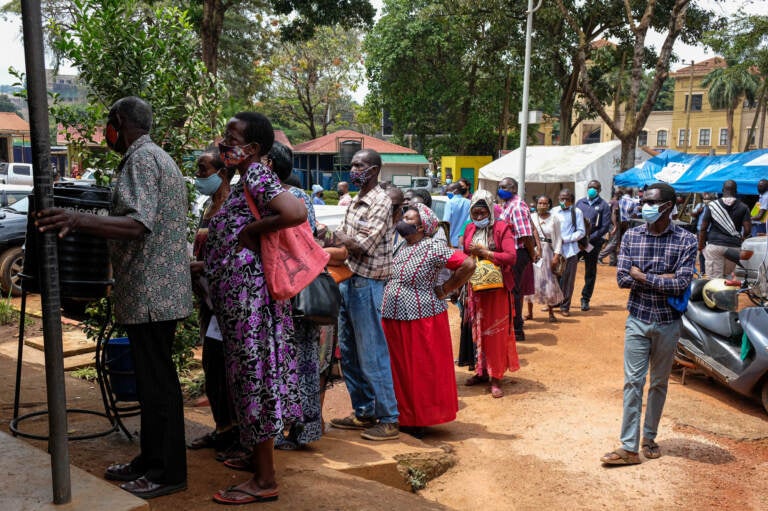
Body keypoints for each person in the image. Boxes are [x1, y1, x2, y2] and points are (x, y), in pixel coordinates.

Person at [36, 96, 192, 499]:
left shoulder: (142, 160)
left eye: (109, 124)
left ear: (118, 122)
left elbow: (138, 223)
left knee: (158, 385)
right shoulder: (154, 158)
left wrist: (76, 219)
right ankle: (149, 460)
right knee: (151, 381)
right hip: (152, 291)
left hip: (152, 293)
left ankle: (167, 472)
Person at [205, 112, 308, 505]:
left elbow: (294, 213)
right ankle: (256, 458)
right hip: (241, 301)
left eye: (232, 137)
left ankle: (265, 480)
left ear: (253, 148)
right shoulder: (245, 177)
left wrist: (249, 232)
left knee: (255, 380)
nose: (223, 142)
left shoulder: (257, 174)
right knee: (250, 378)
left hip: (251, 304)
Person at [600, 182, 697, 466]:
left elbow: (680, 283)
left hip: (668, 323)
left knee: (658, 383)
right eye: (644, 201)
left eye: (652, 203)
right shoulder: (632, 236)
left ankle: (649, 437)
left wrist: (643, 277)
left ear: (668, 207)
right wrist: (661, 279)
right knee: (633, 382)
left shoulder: (685, 240)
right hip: (638, 320)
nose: (645, 207)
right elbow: (621, 278)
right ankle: (629, 447)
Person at [382, 203, 475, 434]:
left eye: (409, 218)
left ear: (423, 226)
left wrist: (447, 288)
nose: (403, 221)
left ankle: (418, 419)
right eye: (403, 217)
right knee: (398, 368)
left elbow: (467, 263)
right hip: (393, 314)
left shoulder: (433, 247)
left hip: (421, 317)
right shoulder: (400, 245)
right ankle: (400, 415)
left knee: (419, 369)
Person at [329, 148, 401, 441]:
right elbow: (347, 241)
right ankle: (363, 411)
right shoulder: (357, 201)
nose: (353, 169)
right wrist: (343, 238)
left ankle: (388, 418)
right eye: (353, 164)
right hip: (348, 279)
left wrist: (340, 236)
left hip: (368, 283)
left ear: (374, 169)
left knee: (371, 353)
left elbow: (361, 245)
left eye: (359, 165)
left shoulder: (381, 202)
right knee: (348, 353)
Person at [268, 141, 323, 451]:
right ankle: (305, 431)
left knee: (280, 363)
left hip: (283, 295)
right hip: (301, 292)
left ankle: (276, 431)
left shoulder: (280, 199)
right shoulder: (302, 198)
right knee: (304, 363)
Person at [187, 150, 240, 458]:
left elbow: (232, 255)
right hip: (208, 299)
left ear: (221, 173)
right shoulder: (209, 206)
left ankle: (235, 433)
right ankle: (222, 427)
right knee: (212, 366)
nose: (198, 175)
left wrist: (203, 267)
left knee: (227, 366)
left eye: (203, 169)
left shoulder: (232, 207)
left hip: (226, 299)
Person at [463, 190, 519, 398]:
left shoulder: (502, 228)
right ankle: (481, 371)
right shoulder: (469, 228)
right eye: (475, 213)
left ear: (490, 210)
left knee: (495, 332)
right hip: (475, 289)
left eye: (482, 212)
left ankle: (496, 377)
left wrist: (486, 253)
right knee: (477, 330)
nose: (478, 217)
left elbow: (511, 256)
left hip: (496, 290)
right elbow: (464, 253)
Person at [497, 177, 536, 339]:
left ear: (513, 189)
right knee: (510, 289)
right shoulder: (508, 205)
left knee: (515, 291)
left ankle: (517, 328)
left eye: (504, 187)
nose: (500, 189)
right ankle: (511, 324)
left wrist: (531, 254)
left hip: (517, 253)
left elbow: (526, 235)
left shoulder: (518, 207)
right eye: (499, 186)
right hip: (510, 253)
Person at [698, 180, 751, 278]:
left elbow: (703, 227)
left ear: (722, 190)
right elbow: (747, 230)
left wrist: (701, 245)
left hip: (715, 246)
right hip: (733, 248)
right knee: (727, 278)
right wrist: (741, 239)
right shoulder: (744, 207)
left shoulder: (712, 205)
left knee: (714, 280)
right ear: (736, 191)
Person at [575, 180, 612, 311]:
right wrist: (579, 238)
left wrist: (589, 239)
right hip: (577, 243)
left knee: (590, 272)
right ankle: (562, 298)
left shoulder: (604, 206)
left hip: (592, 244)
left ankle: (585, 299)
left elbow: (605, 227)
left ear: (599, 190)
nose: (592, 189)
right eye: (590, 187)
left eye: (595, 188)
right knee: (568, 269)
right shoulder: (580, 203)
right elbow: (573, 220)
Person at [551, 189, 585, 317]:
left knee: (568, 279)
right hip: (555, 250)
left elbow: (581, 231)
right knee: (554, 277)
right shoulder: (553, 211)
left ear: (571, 200)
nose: (563, 201)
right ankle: (554, 302)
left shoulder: (576, 212)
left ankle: (565, 306)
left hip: (569, 250)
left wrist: (566, 239)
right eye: (561, 198)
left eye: (566, 199)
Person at [530, 195, 564, 323]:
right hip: (534, 253)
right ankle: (530, 312)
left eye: (545, 203)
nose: (542, 205)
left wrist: (556, 255)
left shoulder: (554, 218)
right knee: (533, 281)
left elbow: (559, 238)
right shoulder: (532, 217)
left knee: (549, 281)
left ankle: (551, 313)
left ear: (549, 205)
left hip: (549, 252)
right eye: (540, 203)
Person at [442, 182, 471, 247]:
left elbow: (446, 222)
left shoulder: (450, 203)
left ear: (456, 190)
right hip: (464, 241)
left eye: (449, 190)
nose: (447, 192)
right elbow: (469, 222)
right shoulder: (469, 202)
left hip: (451, 242)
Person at [598, 188, 622, 266]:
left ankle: (613, 260)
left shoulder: (610, 202)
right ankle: (600, 256)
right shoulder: (615, 202)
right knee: (614, 242)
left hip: (609, 223)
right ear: (618, 195)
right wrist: (615, 225)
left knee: (612, 242)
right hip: (613, 224)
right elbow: (614, 214)